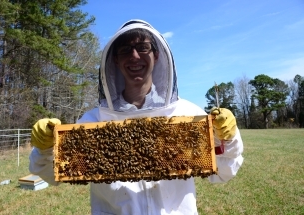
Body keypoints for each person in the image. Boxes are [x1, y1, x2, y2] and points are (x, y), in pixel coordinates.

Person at [29, 19, 244, 215]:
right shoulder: (93, 120)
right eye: (125, 50)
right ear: (115, 60)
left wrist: (229, 137)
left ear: (156, 55)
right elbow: (50, 173)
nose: (134, 56)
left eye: (143, 47)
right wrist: (46, 147)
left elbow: (224, 171)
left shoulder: (187, 114)